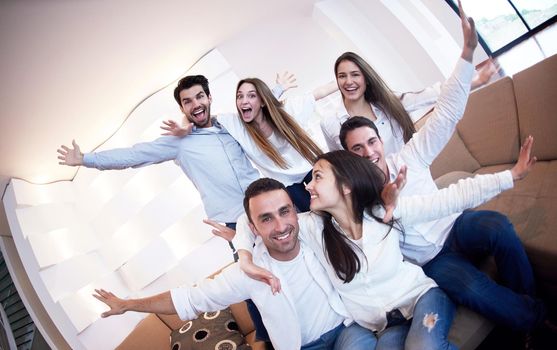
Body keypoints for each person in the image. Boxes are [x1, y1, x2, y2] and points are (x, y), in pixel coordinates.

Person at [336, 3, 547, 335]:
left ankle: (528, 301)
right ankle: (536, 322)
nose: (369, 152)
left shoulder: (409, 156)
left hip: (456, 225)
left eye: (372, 142)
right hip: (433, 260)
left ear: (381, 140)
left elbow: (447, 113)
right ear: (349, 157)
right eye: (357, 149)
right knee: (471, 288)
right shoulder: (361, 203)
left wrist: (466, 53)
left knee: (498, 226)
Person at [233, 147, 532, 349]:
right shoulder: (311, 228)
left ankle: (537, 319)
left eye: (317, 177)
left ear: (346, 186)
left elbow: (448, 200)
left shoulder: (382, 211)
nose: (308, 185)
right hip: (383, 327)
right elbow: (249, 220)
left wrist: (510, 176)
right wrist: (244, 257)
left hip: (422, 298)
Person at [92, 178, 378, 350]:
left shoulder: (315, 226)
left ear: (295, 210)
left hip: (346, 329)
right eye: (266, 218)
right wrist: (129, 304)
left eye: (284, 212)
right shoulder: (247, 273)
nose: (281, 226)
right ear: (253, 227)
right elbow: (190, 298)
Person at [319, 7, 496, 154]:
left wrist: (476, 81)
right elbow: (342, 164)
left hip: (409, 177)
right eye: (342, 76)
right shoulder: (329, 123)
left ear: (366, 78)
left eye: (355, 74)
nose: (348, 81)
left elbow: (433, 93)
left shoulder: (389, 103)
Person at [163, 77, 337, 212]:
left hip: (313, 172)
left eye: (251, 96)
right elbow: (200, 114)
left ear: (261, 101)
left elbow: (321, 91)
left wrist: (357, 76)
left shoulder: (286, 110)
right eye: (239, 96)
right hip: (290, 188)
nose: (243, 101)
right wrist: (185, 127)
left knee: (340, 208)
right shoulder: (235, 124)